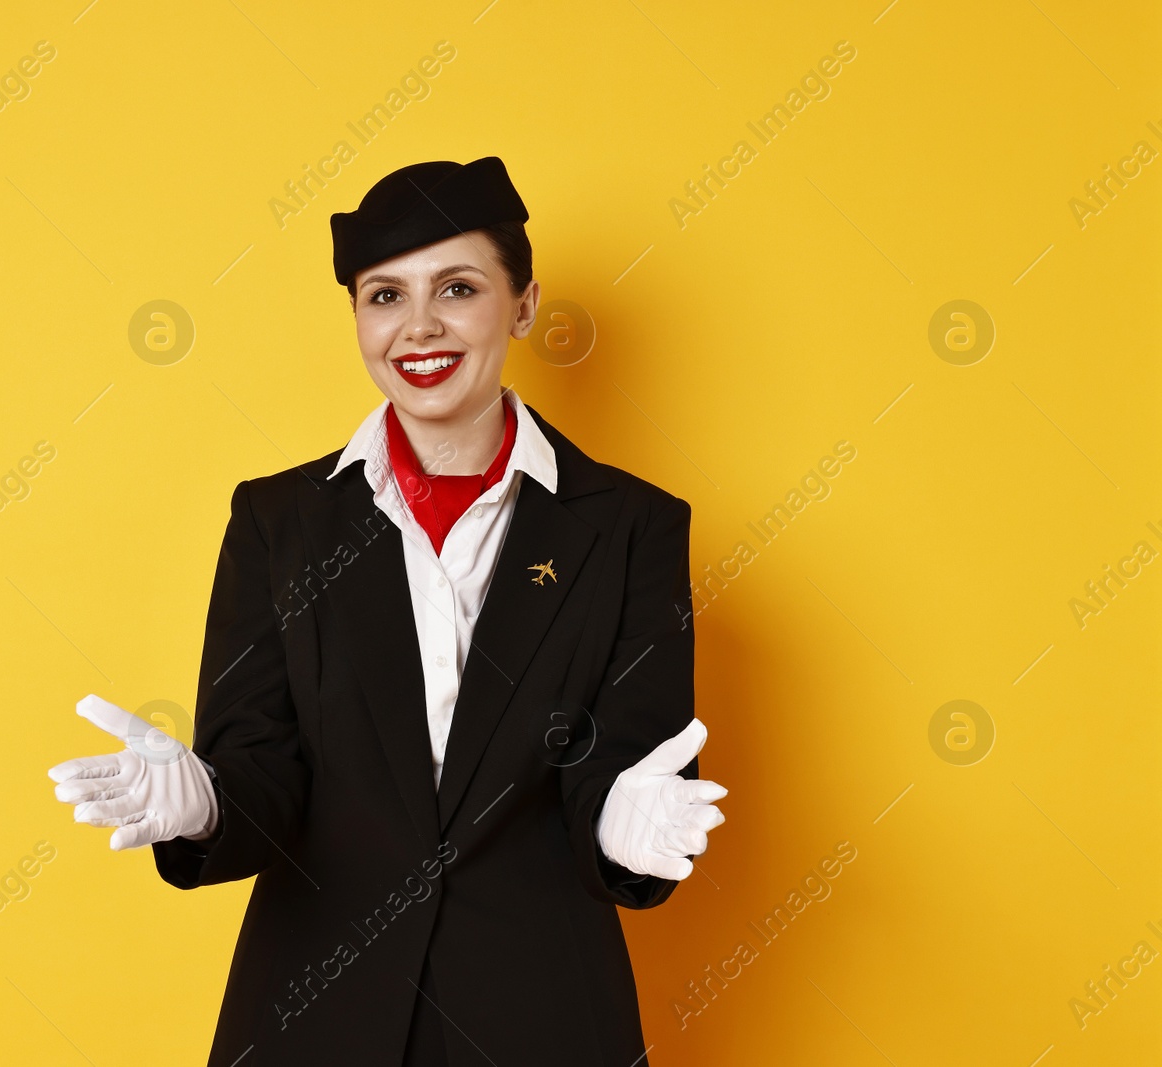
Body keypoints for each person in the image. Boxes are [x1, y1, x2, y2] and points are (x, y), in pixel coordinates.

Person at [49, 156, 728, 1066]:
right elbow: (262, 767)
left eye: (457, 287)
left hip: (544, 1016)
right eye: (384, 296)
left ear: (524, 305)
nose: (419, 328)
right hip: (313, 1012)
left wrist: (621, 823)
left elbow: (623, 758)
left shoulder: (635, 526)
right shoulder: (277, 520)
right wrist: (206, 805)